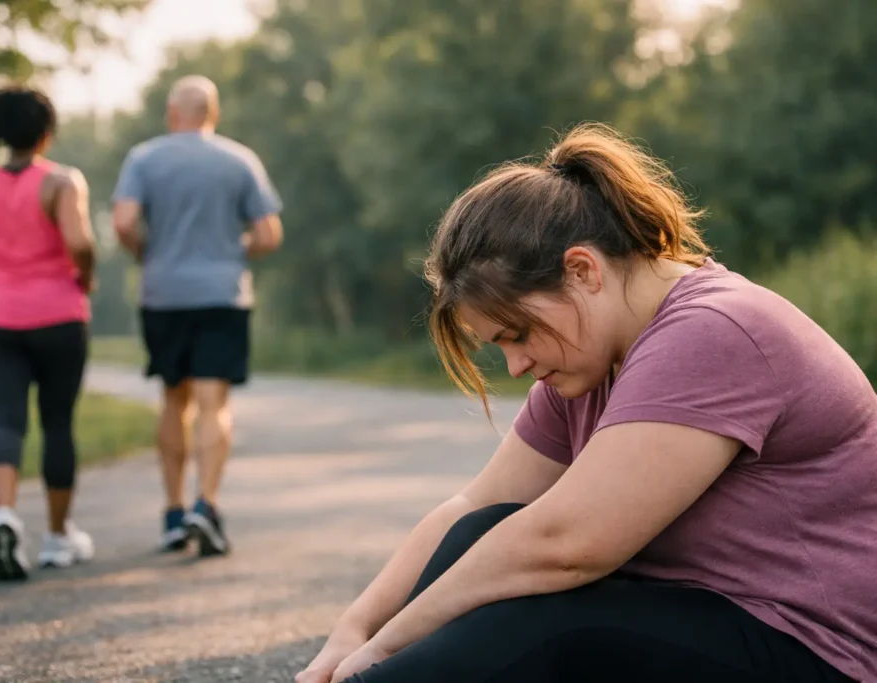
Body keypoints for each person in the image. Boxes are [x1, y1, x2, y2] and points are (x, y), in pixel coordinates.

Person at [297, 123, 876, 683]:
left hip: (818, 651)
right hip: (706, 624)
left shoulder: (713, 330)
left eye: (518, 334)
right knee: (486, 533)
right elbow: (474, 505)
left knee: (547, 623)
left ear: (582, 270)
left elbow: (568, 546)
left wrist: (385, 649)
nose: (518, 367)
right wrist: (354, 630)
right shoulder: (588, 362)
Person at [111, 75, 283, 556]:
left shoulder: (144, 158)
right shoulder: (238, 159)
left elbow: (123, 222)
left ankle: (171, 514)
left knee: (173, 399)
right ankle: (205, 506)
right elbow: (269, 234)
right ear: (214, 113)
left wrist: (147, 252)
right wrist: (235, 251)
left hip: (163, 294)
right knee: (213, 404)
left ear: (172, 114)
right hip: (221, 294)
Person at [0, 84, 97, 582]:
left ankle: (5, 515)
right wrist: (85, 278)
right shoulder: (62, 182)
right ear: (46, 133)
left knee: (6, 421)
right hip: (57, 316)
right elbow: (79, 242)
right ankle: (57, 538)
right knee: (57, 423)